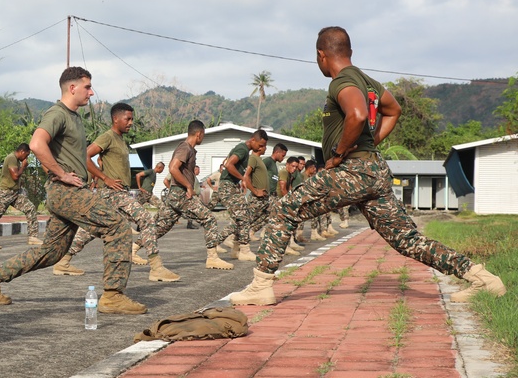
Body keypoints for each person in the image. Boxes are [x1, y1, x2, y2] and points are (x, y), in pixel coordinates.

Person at [229, 26, 507, 306]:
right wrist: (370, 143)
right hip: (373, 171)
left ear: (321, 55)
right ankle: (483, 279)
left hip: (352, 171)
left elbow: (358, 114)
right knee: (406, 240)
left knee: (283, 209)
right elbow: (393, 109)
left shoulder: (341, 81)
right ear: (349, 51)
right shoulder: (366, 80)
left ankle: (261, 286)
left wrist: (339, 154)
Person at [0, 67, 146, 315]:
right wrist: (62, 173)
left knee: (52, 252)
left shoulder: (74, 117)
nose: (92, 92)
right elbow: (36, 143)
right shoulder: (57, 113)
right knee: (117, 226)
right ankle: (113, 296)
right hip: (66, 191)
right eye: (87, 87)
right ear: (72, 87)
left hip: (66, 192)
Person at [55, 103, 179, 282]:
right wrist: (105, 178)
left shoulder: (120, 139)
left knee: (92, 229)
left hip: (119, 193)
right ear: (116, 119)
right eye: (127, 119)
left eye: (132, 119)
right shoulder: (108, 137)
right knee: (145, 219)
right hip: (112, 193)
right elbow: (85, 155)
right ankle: (156, 267)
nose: (131, 122)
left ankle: (63, 261)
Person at [150, 120, 234, 270]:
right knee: (209, 219)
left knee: (161, 227)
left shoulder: (188, 149)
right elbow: (173, 168)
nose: (203, 138)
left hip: (176, 194)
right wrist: (188, 185)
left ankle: (133, 248)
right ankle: (213, 258)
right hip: (181, 194)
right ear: (199, 134)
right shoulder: (185, 148)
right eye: (204, 135)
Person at [0, 143, 42, 246]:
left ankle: (33, 237)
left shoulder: (16, 160)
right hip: (5, 193)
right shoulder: (11, 158)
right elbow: (15, 176)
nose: (26, 158)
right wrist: (23, 167)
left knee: (30, 208)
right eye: (26, 155)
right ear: (22, 152)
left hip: (14, 193)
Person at [218, 129, 269, 261]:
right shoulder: (243, 149)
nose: (262, 148)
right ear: (253, 140)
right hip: (227, 186)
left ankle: (236, 249)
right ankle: (242, 249)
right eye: (260, 145)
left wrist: (241, 182)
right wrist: (242, 178)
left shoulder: (244, 150)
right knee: (244, 217)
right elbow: (229, 165)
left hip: (231, 186)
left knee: (241, 218)